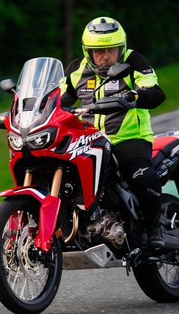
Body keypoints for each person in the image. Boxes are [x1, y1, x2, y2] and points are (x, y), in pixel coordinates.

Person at [60, 16, 166, 250]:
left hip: (128, 139)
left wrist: (135, 96)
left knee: (141, 176)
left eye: (111, 50)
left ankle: (153, 226)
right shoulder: (77, 69)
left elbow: (155, 92)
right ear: (88, 52)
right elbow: (57, 100)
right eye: (99, 52)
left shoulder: (134, 62)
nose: (105, 56)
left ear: (122, 49)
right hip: (88, 140)